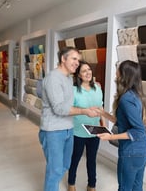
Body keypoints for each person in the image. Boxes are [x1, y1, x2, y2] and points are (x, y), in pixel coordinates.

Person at [39, 47, 99, 191]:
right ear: (63, 59)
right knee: (55, 170)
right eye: (74, 59)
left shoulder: (67, 78)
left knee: (65, 165)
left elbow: (69, 104)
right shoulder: (53, 78)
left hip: (68, 129)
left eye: (78, 60)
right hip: (53, 130)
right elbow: (59, 108)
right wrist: (84, 111)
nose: (77, 63)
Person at [96, 60, 146, 191]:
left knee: (125, 188)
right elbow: (124, 121)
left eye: (118, 70)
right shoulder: (136, 95)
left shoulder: (126, 99)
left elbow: (138, 131)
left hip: (132, 153)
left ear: (124, 75)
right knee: (137, 187)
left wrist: (110, 137)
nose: (116, 73)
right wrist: (102, 113)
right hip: (143, 151)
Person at [68, 60, 105, 191]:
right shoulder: (74, 90)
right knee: (75, 158)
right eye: (84, 71)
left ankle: (92, 185)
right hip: (78, 131)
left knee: (92, 159)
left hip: (94, 130)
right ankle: (71, 183)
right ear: (78, 75)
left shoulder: (98, 88)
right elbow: (69, 109)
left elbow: (100, 107)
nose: (88, 72)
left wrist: (103, 126)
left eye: (89, 69)